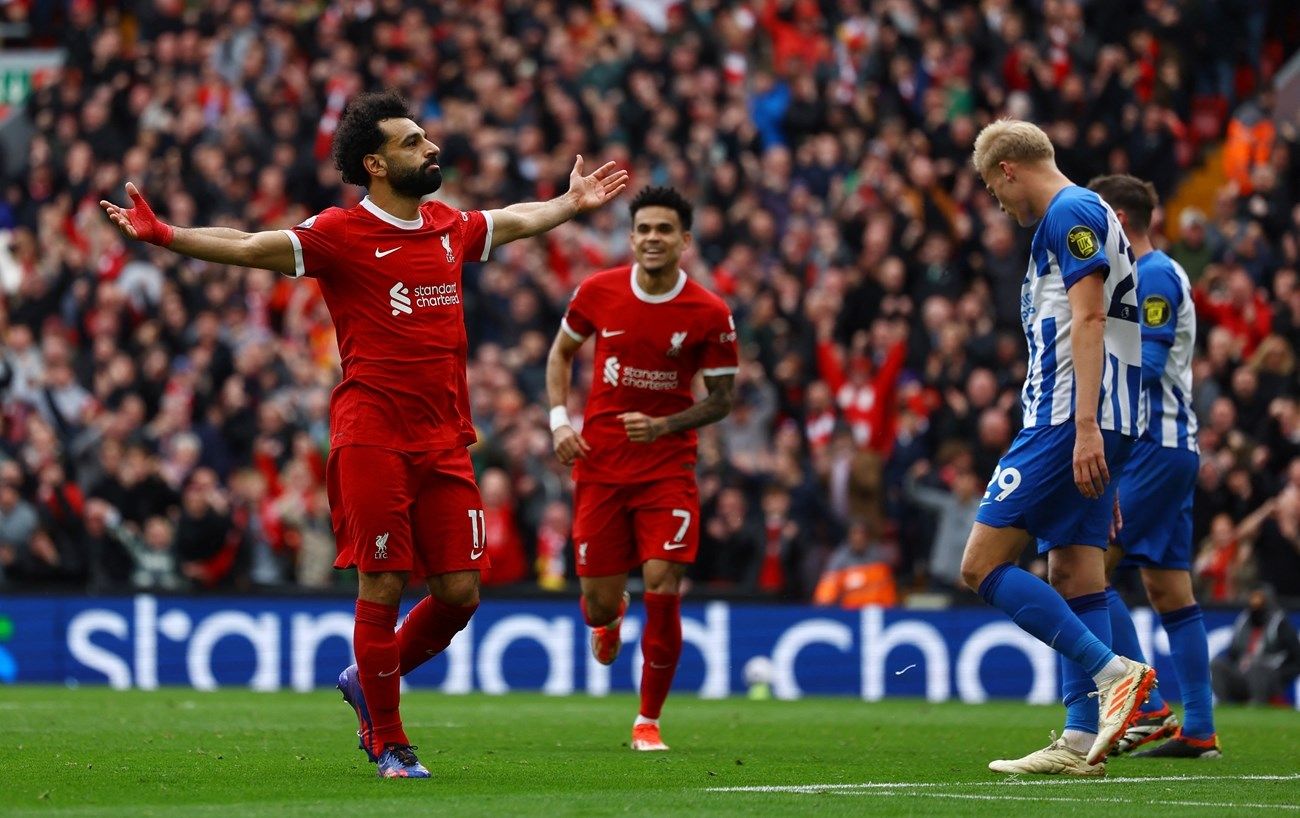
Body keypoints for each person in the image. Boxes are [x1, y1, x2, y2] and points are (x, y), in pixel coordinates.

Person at [101, 90, 628, 778]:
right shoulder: (339, 234)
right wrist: (167, 235)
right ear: (376, 163)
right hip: (371, 434)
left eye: (425, 137)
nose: (430, 147)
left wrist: (567, 204)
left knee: (460, 593)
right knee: (381, 585)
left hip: (443, 439)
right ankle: (390, 741)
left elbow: (512, 218)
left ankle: (366, 679)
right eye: (413, 142)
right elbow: (251, 244)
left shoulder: (446, 225)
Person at [956, 120, 1155, 776]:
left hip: (1065, 417)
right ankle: (1076, 740)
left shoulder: (1071, 210)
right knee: (1073, 571)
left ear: (1009, 169)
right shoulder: (1085, 214)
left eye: (992, 187)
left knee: (981, 566)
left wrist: (1088, 426)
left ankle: (1112, 672)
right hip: (1093, 416)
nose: (997, 201)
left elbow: (1090, 315)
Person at [545, 186, 737, 751]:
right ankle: (610, 618)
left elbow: (722, 399)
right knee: (598, 603)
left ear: (685, 240)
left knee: (664, 582)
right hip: (600, 464)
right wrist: (559, 421)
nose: (654, 238)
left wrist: (664, 426)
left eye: (665, 230)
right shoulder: (598, 291)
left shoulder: (709, 312)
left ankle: (647, 721)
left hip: (667, 468)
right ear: (631, 238)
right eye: (644, 229)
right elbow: (559, 354)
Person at [1083, 175, 1220, 759]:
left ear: (1116, 216)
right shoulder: (1140, 274)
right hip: (1167, 448)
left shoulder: (1154, 274)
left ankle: (1146, 705)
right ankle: (1200, 729)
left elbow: (1152, 360)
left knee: (1086, 565)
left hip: (1152, 448)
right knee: (1168, 588)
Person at [1211, 585, 1300, 705]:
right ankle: (1224, 705)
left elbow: (1296, 658)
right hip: (1242, 674)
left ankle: (1257, 703)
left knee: (1256, 667)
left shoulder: (1279, 623)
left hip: (1269, 676)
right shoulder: (1244, 620)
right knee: (1217, 665)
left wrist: (1282, 678)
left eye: (1259, 601)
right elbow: (1233, 653)